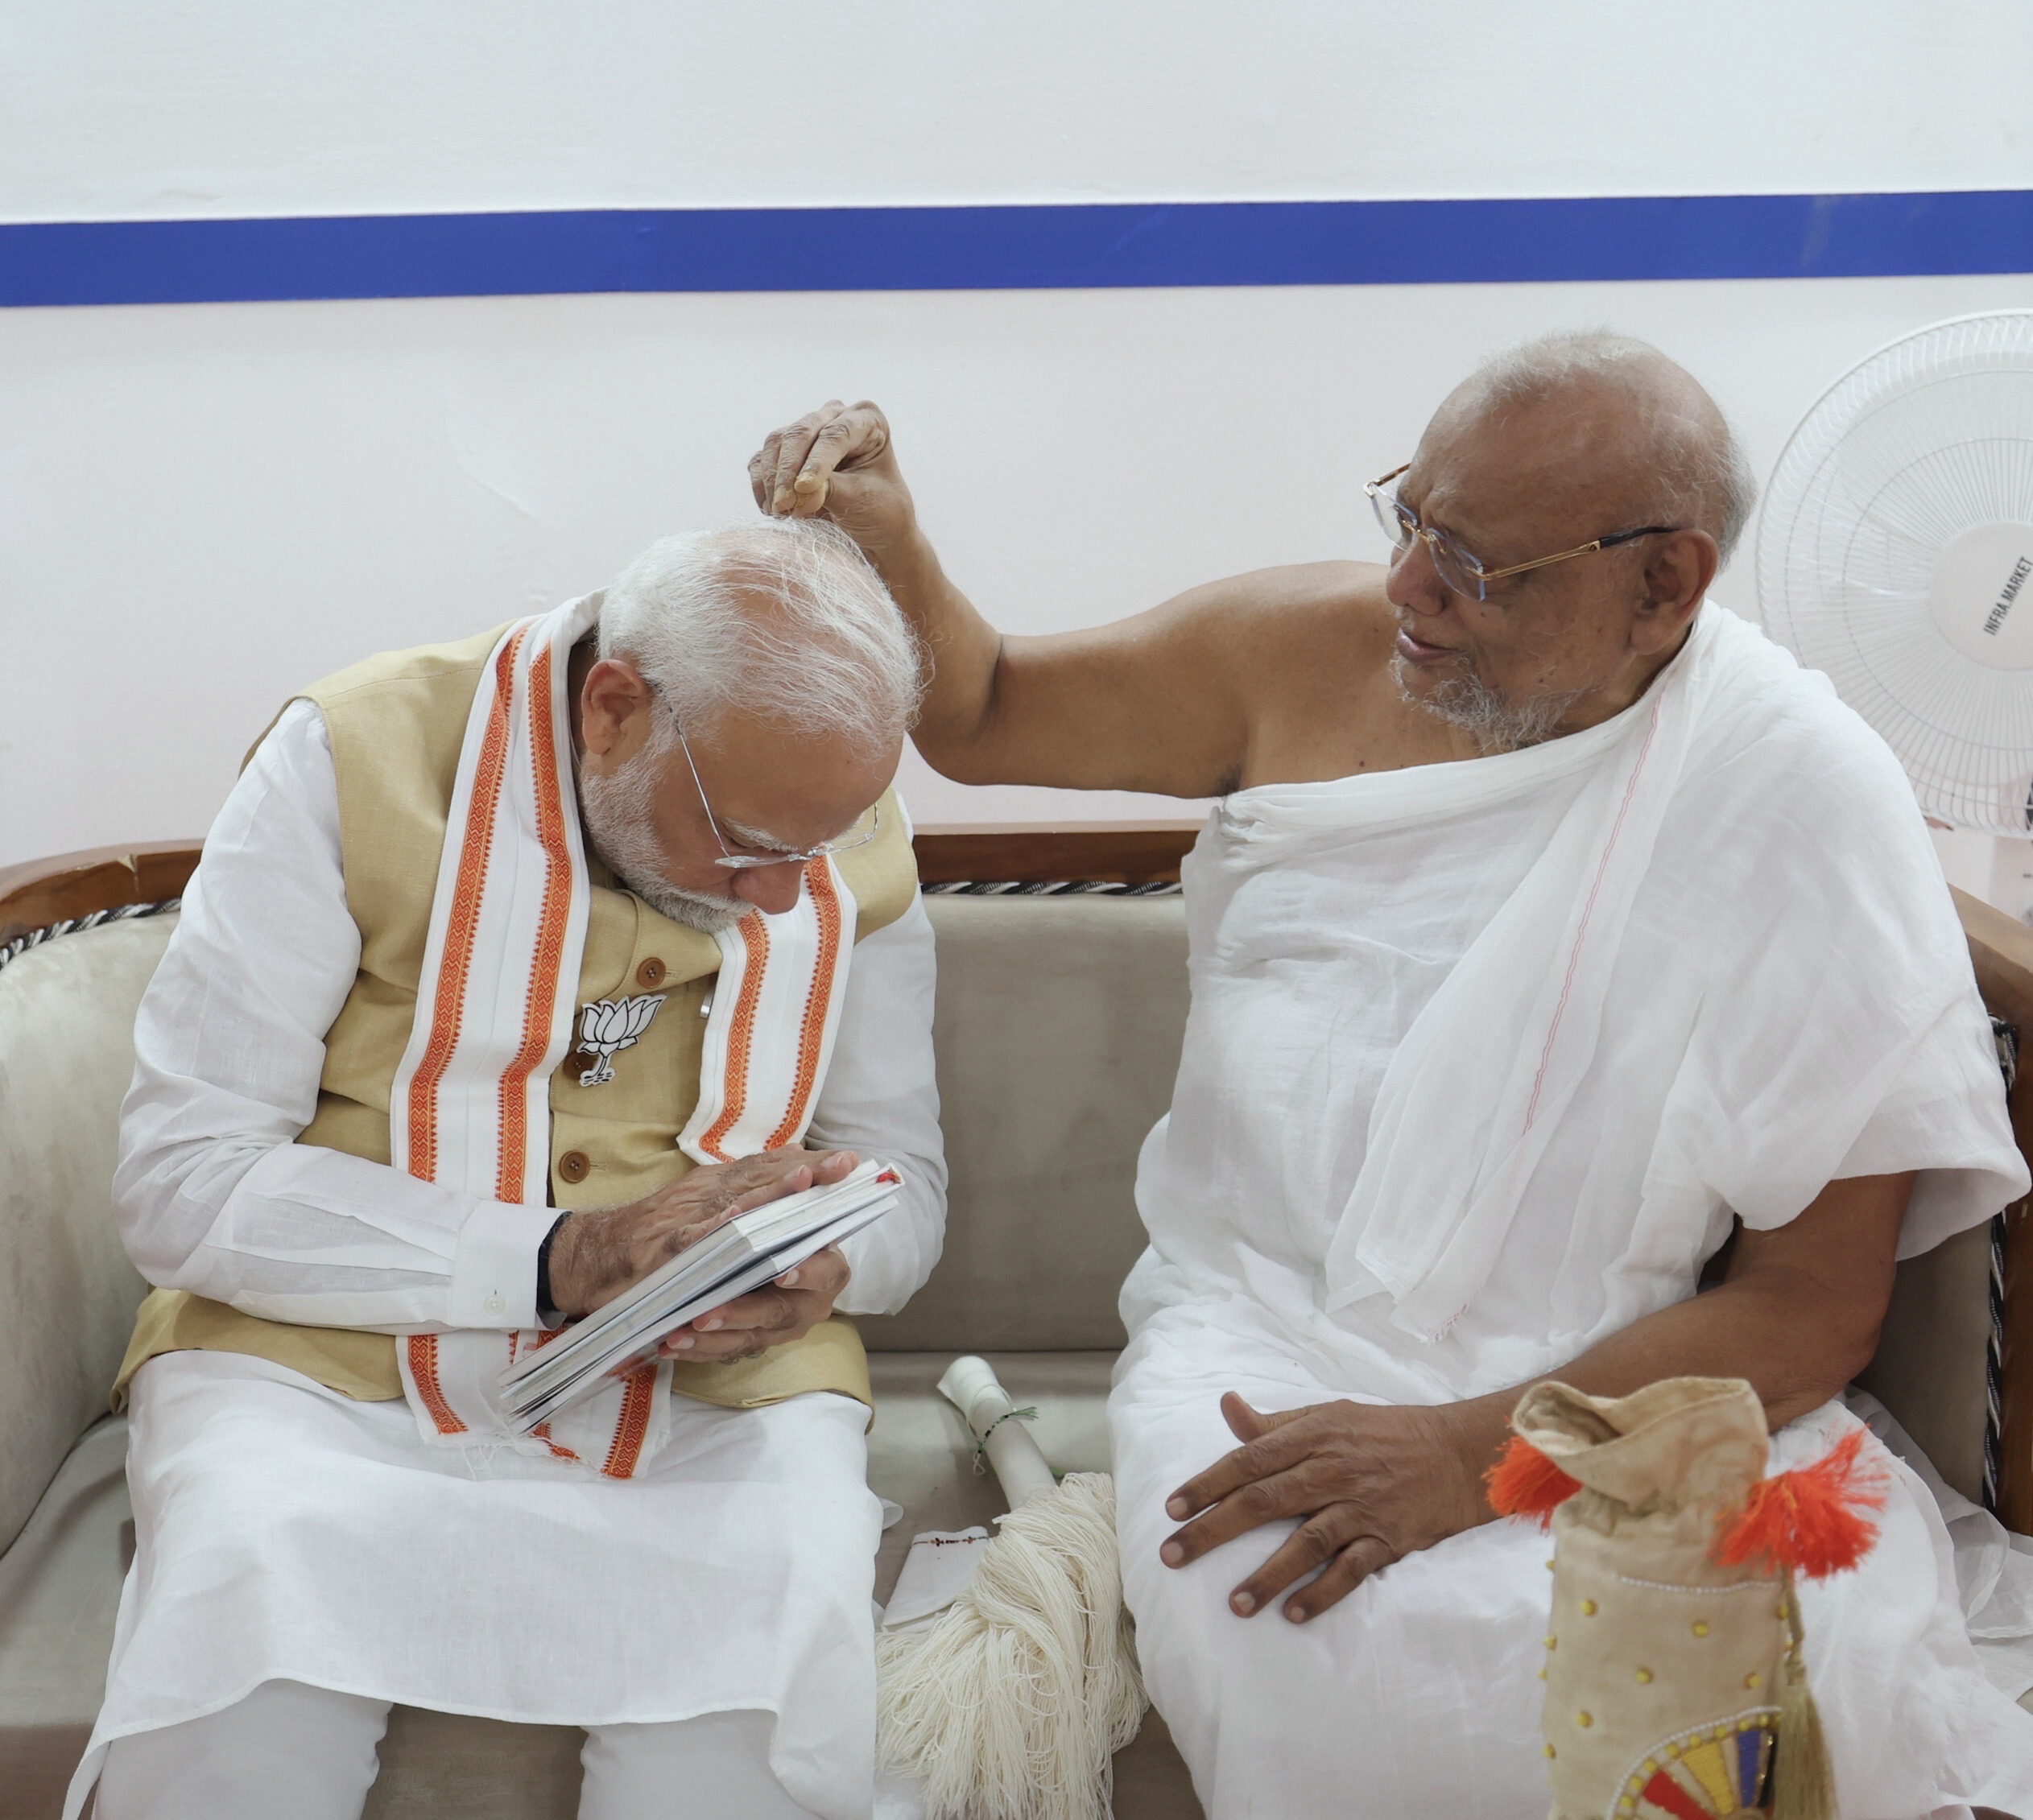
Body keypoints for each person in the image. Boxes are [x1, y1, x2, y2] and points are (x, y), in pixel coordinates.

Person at [749, 335, 2033, 1819]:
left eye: (1475, 567)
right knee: (1326, 1655)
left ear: (1662, 584)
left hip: (1622, 1384)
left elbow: (1810, 1306)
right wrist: (890, 533)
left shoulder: (1796, 791)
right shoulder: (1304, 651)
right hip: (1266, 1341)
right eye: (1408, 517)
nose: (1408, 589)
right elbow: (983, 713)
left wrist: (1469, 1451)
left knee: (1779, 1656)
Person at [68, 518, 947, 1820]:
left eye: (806, 857)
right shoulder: (347, 757)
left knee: (753, 1717)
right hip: (316, 1377)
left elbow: (904, 1184)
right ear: (612, 708)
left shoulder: (838, 826)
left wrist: (821, 1262)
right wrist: (564, 1256)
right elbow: (184, 1179)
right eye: (745, 840)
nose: (778, 899)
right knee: (235, 1685)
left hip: (713, 1405)